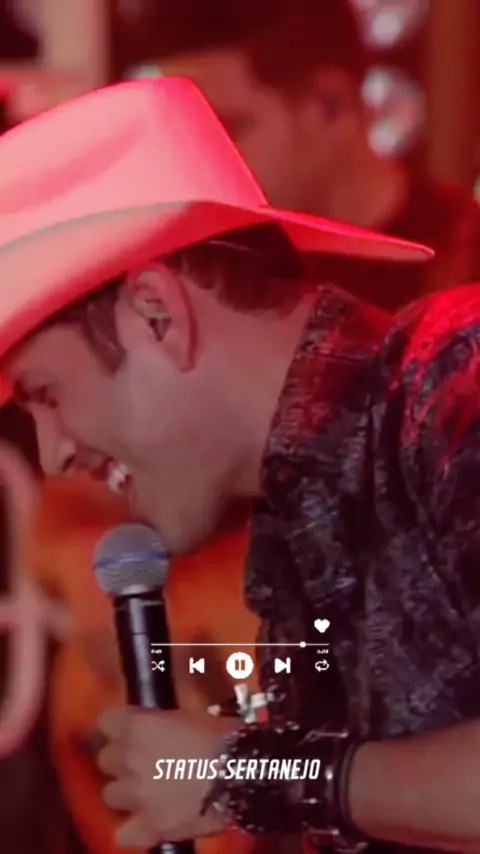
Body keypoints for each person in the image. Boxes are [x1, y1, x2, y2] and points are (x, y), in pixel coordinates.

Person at [1, 76, 480, 854]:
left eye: (48, 394)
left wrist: (254, 773)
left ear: (158, 315)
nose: (55, 456)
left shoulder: (457, 377)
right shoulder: (295, 548)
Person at [148, 0, 480, 308]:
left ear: (332, 107)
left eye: (224, 128)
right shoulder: (196, 278)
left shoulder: (467, 263)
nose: (189, 164)